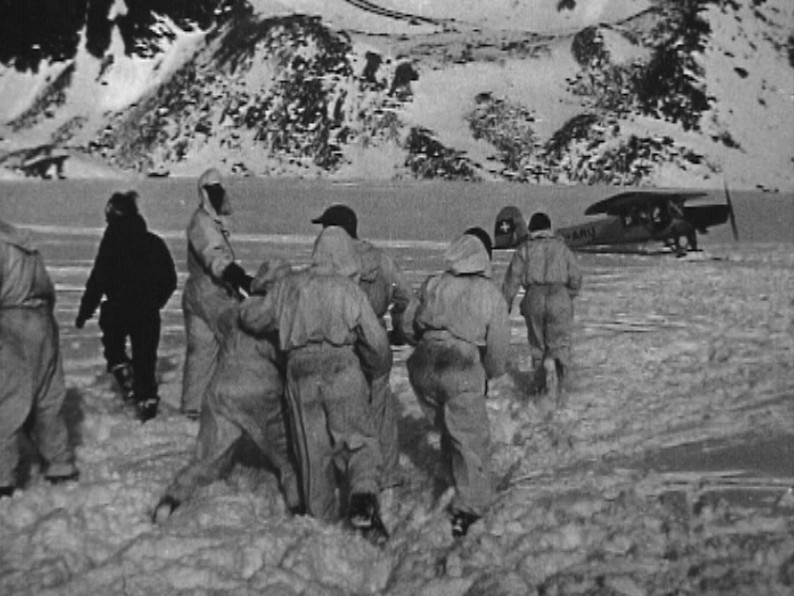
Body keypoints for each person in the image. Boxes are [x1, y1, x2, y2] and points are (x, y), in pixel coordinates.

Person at [239, 227, 392, 543]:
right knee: (358, 438)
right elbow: (376, 341)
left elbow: (254, 317)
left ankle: (320, 529)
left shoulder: (289, 286)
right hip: (342, 366)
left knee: (312, 452)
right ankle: (363, 492)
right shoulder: (347, 290)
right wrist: (376, 370)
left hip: (301, 371)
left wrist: (250, 299)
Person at [152, 258, 300, 523]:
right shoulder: (280, 317)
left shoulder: (237, 311)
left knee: (206, 458)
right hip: (259, 391)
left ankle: (170, 502)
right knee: (287, 457)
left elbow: (217, 326)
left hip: (220, 390)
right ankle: (299, 510)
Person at [405, 231, 510, 537]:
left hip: (424, 362)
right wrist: (487, 374)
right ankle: (468, 510)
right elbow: (498, 345)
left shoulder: (433, 282)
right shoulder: (490, 293)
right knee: (469, 437)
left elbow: (407, 325)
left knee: (447, 428)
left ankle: (451, 475)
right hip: (461, 364)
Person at [312, 204, 415, 489]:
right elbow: (406, 297)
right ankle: (388, 475)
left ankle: (344, 477)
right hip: (375, 338)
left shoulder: (326, 259)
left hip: (338, 342)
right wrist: (398, 329)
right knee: (380, 408)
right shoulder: (381, 259)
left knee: (338, 413)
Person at [75, 191, 177, 422]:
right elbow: (169, 279)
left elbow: (98, 280)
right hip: (146, 313)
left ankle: (123, 372)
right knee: (145, 361)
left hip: (118, 310)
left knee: (114, 347)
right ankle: (146, 405)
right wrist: (154, 303)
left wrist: (84, 311)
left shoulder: (111, 244)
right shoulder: (153, 242)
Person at [1, 216, 78, 497]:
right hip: (44, 321)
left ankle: (2, 477)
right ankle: (60, 464)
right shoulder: (24, 244)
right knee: (47, 397)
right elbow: (49, 288)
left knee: (8, 399)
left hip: (11, 322)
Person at [181, 168, 253, 420]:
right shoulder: (202, 223)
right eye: (214, 191)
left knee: (201, 352)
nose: (219, 196)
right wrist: (238, 276)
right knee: (237, 344)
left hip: (200, 293)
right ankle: (236, 403)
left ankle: (194, 407)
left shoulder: (207, 221)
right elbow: (213, 256)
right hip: (212, 294)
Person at [501, 211, 582, 407]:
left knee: (538, 345)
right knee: (560, 343)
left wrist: (505, 303)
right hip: (559, 294)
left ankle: (540, 386)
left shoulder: (525, 249)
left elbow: (512, 278)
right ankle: (561, 384)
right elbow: (576, 278)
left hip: (534, 296)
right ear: (548, 228)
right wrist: (567, 296)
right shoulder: (561, 247)